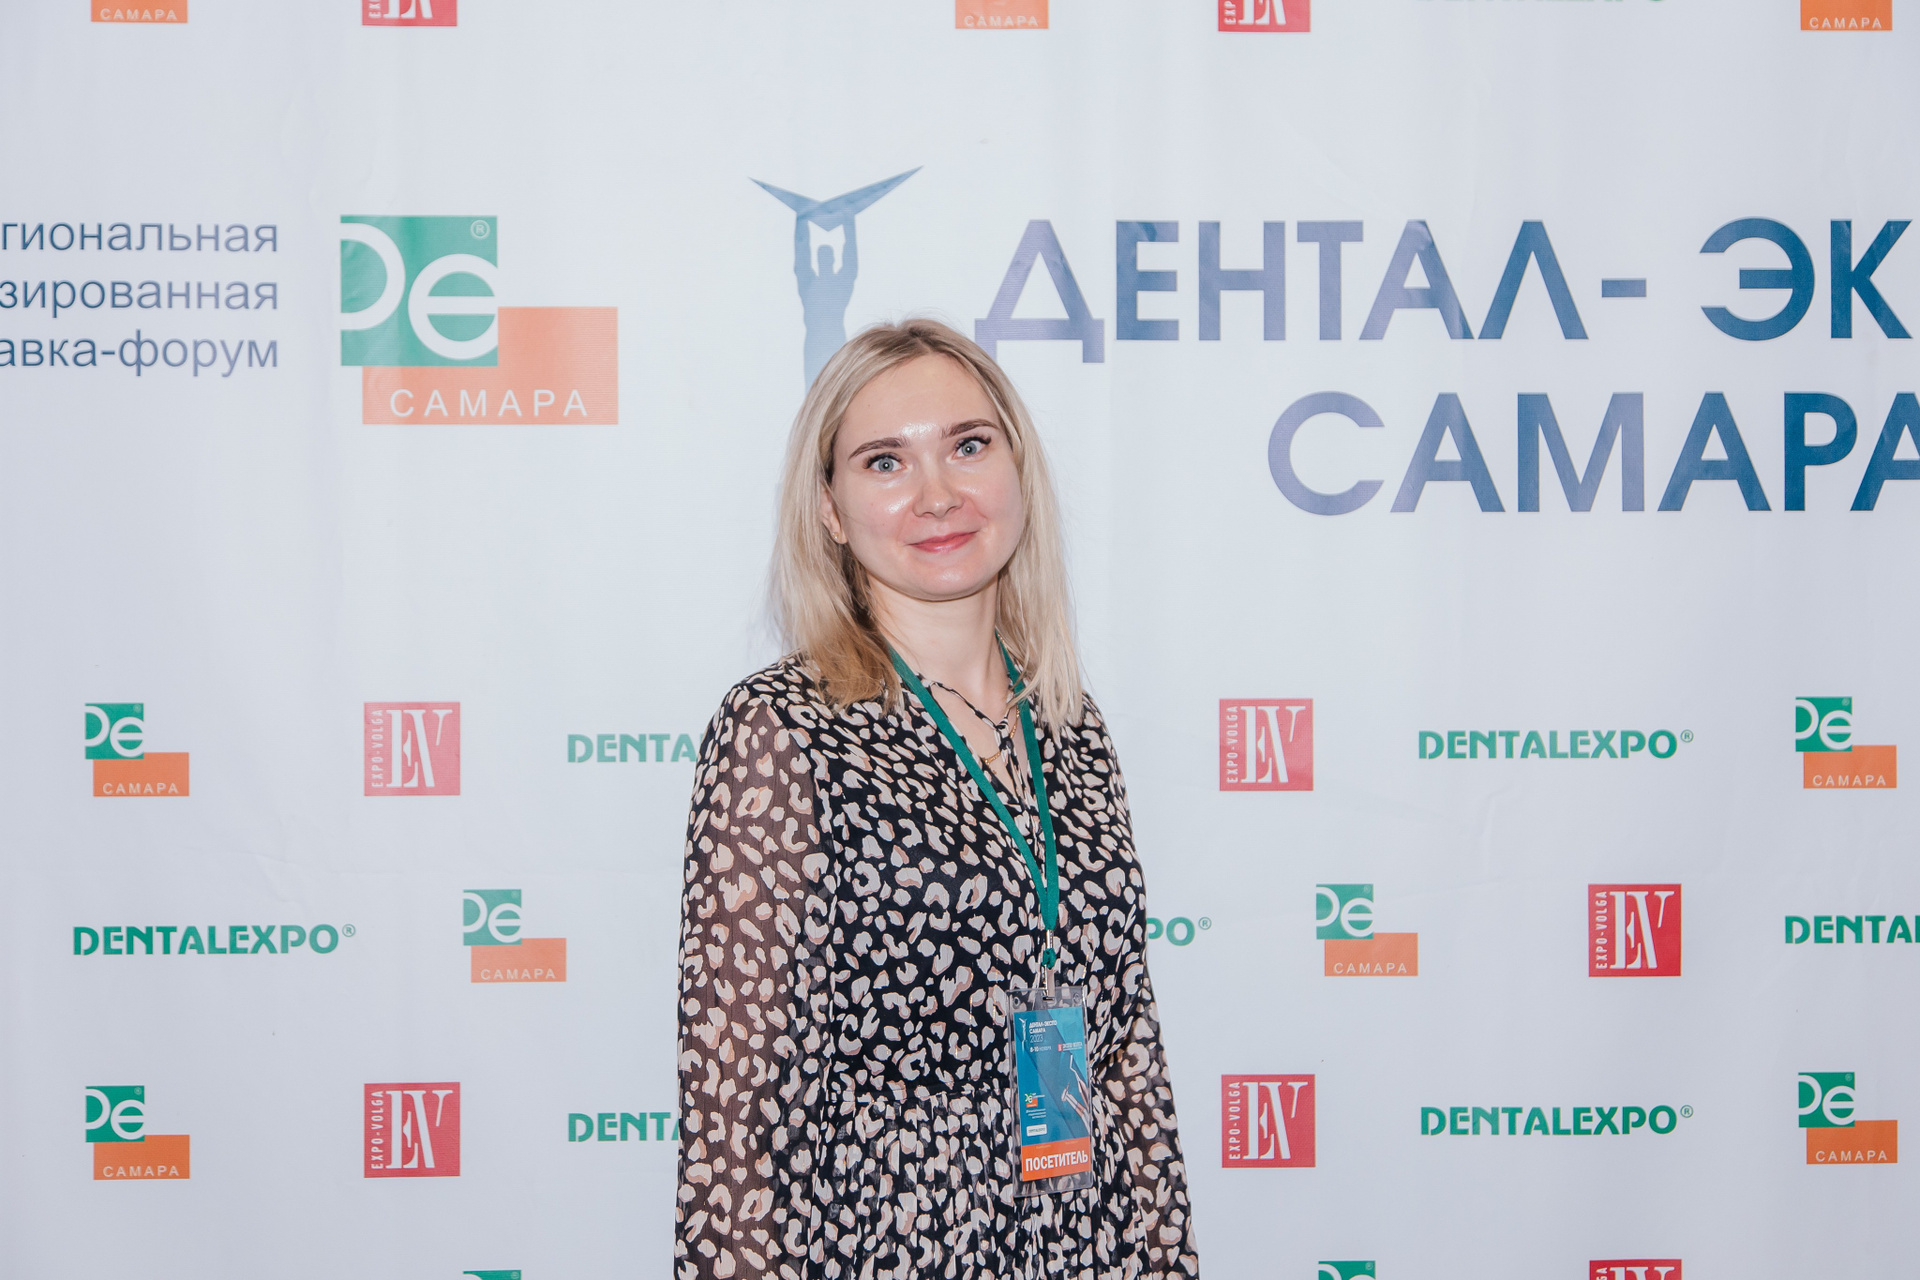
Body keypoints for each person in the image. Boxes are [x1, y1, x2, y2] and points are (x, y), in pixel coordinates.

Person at [675, 319, 1199, 1280]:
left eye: (968, 445)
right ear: (831, 511)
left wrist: (1164, 1259)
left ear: (1017, 469)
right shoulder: (783, 729)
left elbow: (1127, 1057)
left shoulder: (1070, 724)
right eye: (885, 462)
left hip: (1081, 1240)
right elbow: (734, 1120)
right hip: (887, 1246)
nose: (938, 495)